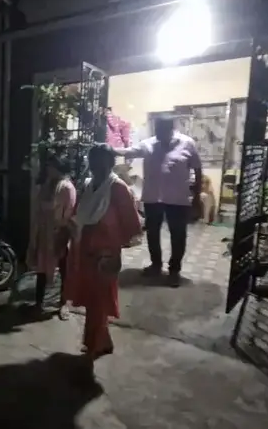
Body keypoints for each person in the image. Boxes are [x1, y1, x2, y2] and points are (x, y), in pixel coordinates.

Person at [66, 144, 142, 360]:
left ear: (110, 163)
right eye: (92, 160)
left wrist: (114, 250)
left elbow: (131, 223)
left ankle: (94, 344)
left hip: (105, 254)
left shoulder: (118, 188)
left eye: (100, 161)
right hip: (85, 250)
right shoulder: (89, 185)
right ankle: (102, 341)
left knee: (99, 300)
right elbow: (78, 213)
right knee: (92, 298)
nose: (95, 165)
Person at [114, 117, 202, 287]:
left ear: (171, 127)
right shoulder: (148, 144)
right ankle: (156, 265)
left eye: (162, 130)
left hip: (177, 199)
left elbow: (197, 169)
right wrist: (110, 150)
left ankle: (174, 271)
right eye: (157, 129)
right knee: (152, 233)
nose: (158, 133)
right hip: (153, 198)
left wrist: (196, 196)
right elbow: (129, 151)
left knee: (178, 235)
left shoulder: (187, 143)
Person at [26, 154, 76, 319]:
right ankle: (39, 303)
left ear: (59, 167)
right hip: (44, 233)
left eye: (51, 166)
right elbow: (38, 211)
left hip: (60, 233)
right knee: (41, 269)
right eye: (48, 166)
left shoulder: (66, 187)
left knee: (64, 269)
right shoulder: (46, 185)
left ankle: (64, 303)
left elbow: (69, 214)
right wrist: (34, 236)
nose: (48, 169)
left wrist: (62, 236)